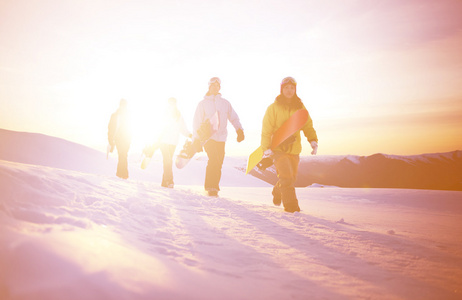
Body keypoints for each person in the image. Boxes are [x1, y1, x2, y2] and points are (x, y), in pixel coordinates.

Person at [261, 77, 318, 213]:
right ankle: (292, 207)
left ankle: (277, 190)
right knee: (286, 177)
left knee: (290, 178)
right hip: (278, 149)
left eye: (292, 88)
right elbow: (266, 130)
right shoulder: (273, 108)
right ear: (282, 89)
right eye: (286, 88)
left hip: (294, 149)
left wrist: (312, 140)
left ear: (295, 89)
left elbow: (307, 125)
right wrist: (266, 148)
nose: (289, 90)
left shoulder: (300, 107)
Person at [193, 77, 245, 196]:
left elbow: (234, 117)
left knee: (219, 161)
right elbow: (196, 122)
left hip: (221, 138)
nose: (215, 88)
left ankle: (214, 186)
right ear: (209, 87)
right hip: (208, 137)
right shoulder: (202, 104)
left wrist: (239, 130)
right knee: (214, 159)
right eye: (213, 86)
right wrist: (196, 139)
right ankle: (210, 187)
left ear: (219, 88)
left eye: (217, 86)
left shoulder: (225, 103)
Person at [158, 97, 192, 188]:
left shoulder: (178, 115)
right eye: (170, 103)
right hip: (163, 141)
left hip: (173, 142)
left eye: (173, 103)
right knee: (167, 159)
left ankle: (164, 183)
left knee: (168, 161)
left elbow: (183, 128)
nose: (171, 105)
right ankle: (169, 181)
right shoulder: (164, 114)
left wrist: (189, 135)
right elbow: (158, 126)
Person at [108, 98, 132, 179]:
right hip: (118, 139)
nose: (123, 106)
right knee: (122, 155)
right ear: (120, 105)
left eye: (124, 105)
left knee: (123, 155)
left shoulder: (128, 115)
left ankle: (120, 174)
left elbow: (131, 128)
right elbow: (110, 128)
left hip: (126, 139)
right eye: (122, 105)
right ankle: (123, 174)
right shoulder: (115, 115)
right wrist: (110, 140)